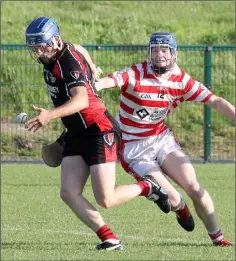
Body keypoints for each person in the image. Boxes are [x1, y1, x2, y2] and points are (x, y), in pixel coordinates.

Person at [24, 17, 171, 251]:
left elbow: (81, 99)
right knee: (68, 192)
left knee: (106, 199)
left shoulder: (67, 64)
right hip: (75, 132)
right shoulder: (60, 50)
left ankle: (147, 187)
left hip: (98, 130)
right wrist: (92, 67)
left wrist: (50, 115)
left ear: (55, 39)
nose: (40, 52)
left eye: (44, 45)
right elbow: (79, 46)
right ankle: (109, 238)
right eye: (36, 47)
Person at [95, 32, 235, 246]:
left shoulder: (182, 80)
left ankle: (218, 238)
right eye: (155, 50)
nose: (159, 55)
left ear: (173, 53)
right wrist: (93, 84)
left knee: (194, 188)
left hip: (161, 140)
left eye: (164, 50)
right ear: (149, 52)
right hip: (134, 149)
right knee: (173, 199)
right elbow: (108, 82)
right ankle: (180, 208)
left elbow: (214, 101)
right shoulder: (136, 73)